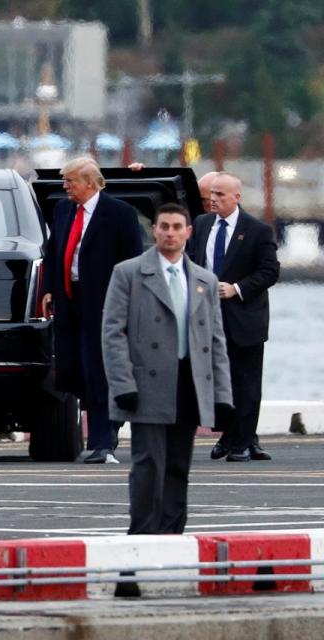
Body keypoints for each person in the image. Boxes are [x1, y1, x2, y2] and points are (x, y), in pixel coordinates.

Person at [103, 203, 233, 537]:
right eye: (164, 227)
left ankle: (173, 536)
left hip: (189, 384)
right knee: (148, 466)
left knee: (178, 467)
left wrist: (221, 396)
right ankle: (144, 536)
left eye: (177, 227)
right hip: (147, 386)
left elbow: (215, 341)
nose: (170, 233)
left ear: (189, 232)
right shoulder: (128, 273)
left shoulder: (205, 279)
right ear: (154, 230)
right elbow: (112, 333)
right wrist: (123, 385)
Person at [42, 157, 144, 464]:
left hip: (104, 303)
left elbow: (132, 262)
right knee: (72, 372)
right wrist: (49, 288)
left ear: (90, 183)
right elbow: (53, 250)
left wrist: (126, 303)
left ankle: (102, 442)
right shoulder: (62, 210)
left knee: (98, 372)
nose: (65, 187)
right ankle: (109, 423)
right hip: (69, 300)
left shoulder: (120, 214)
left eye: (70, 181)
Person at [188, 172, 280, 462]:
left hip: (244, 317)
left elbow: (269, 272)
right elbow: (191, 261)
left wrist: (237, 288)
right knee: (215, 378)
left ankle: (242, 440)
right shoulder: (202, 225)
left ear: (236, 197)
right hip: (207, 316)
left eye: (220, 195)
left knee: (246, 381)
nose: (213, 200)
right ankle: (230, 435)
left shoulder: (257, 230)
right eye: (211, 194)